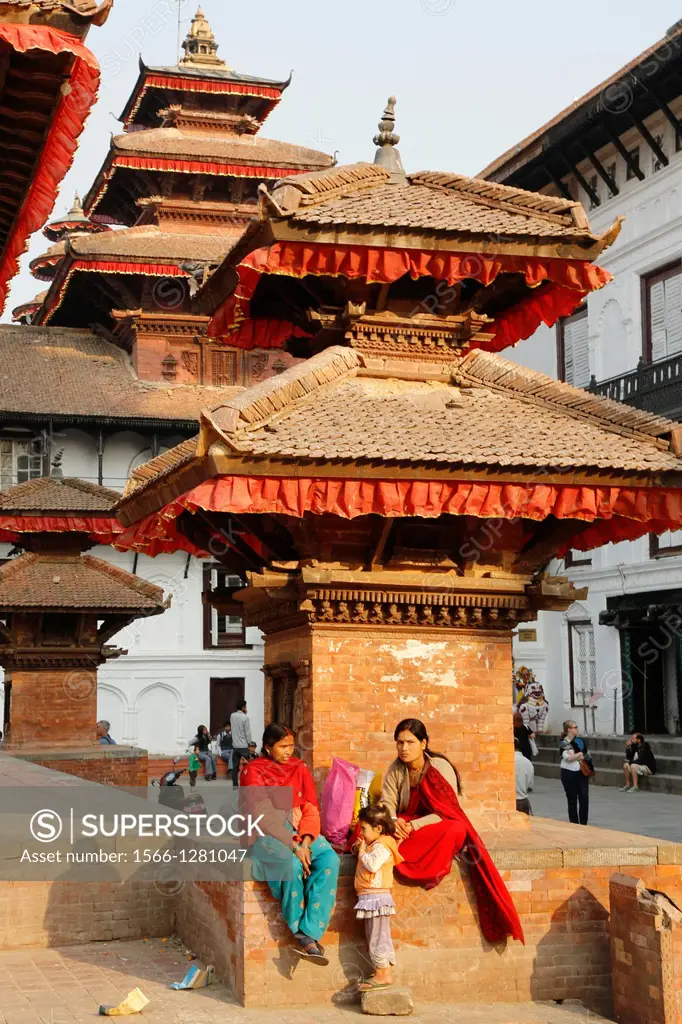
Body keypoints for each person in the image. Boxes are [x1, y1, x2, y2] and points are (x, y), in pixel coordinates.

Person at [381, 718, 524, 945]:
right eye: (399, 743)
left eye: (410, 742)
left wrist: (413, 826)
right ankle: (397, 846)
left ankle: (403, 852)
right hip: (405, 823)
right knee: (368, 826)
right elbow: (388, 802)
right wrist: (393, 821)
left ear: (424, 743)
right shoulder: (396, 769)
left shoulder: (439, 767)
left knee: (455, 828)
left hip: (435, 824)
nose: (404, 748)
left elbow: (447, 812)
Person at [242, 723, 340, 964]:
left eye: (291, 746)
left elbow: (310, 808)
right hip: (266, 834)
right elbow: (263, 816)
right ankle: (299, 933)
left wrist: (305, 841)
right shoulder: (254, 771)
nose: (289, 751)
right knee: (291, 865)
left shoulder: (299, 768)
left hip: (299, 831)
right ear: (267, 747)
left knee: (330, 858)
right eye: (282, 746)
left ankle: (310, 930)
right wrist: (294, 847)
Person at [352, 803, 403, 992]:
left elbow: (373, 866)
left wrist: (363, 852)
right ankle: (383, 972)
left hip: (377, 899)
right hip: (371, 899)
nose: (362, 833)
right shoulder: (375, 844)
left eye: (364, 829)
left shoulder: (382, 847)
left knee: (377, 937)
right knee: (377, 935)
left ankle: (382, 974)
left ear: (378, 828)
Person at [559, 720, 592, 825]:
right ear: (569, 729)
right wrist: (580, 754)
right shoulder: (563, 742)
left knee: (584, 799)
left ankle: (583, 824)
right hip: (569, 774)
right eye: (575, 727)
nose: (577, 729)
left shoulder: (580, 741)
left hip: (581, 773)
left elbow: (588, 755)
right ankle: (574, 823)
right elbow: (569, 758)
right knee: (572, 800)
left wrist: (579, 755)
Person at [230, 700, 252, 787]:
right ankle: (245, 784)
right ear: (243, 707)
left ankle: (235, 785)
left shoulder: (232, 716)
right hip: (243, 746)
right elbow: (247, 733)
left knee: (235, 767)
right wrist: (249, 744)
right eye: (245, 707)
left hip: (235, 746)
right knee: (246, 767)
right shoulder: (245, 718)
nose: (246, 708)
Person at [514, 738, 534, 815]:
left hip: (511, 802)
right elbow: (530, 785)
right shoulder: (528, 762)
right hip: (524, 801)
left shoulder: (506, 762)